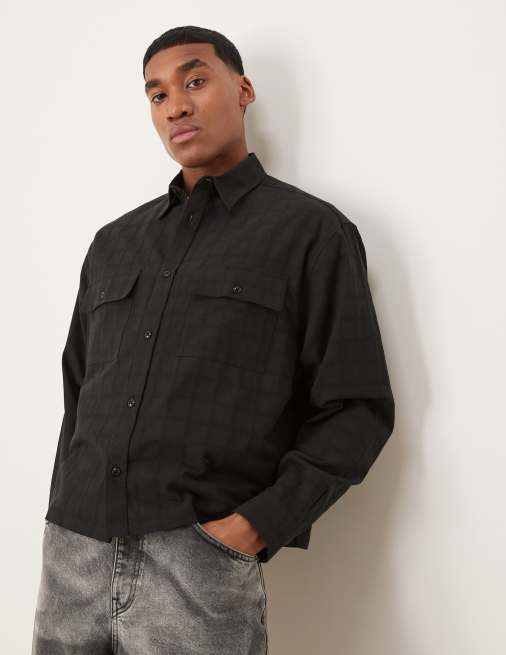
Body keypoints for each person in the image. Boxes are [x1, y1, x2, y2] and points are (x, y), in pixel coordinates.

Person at [31, 24, 395, 655]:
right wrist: (64, 505)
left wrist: (255, 526)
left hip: (197, 563)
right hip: (72, 554)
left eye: (195, 81)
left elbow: (356, 407)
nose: (176, 105)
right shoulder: (114, 243)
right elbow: (78, 391)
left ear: (243, 89)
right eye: (157, 94)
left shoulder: (310, 233)